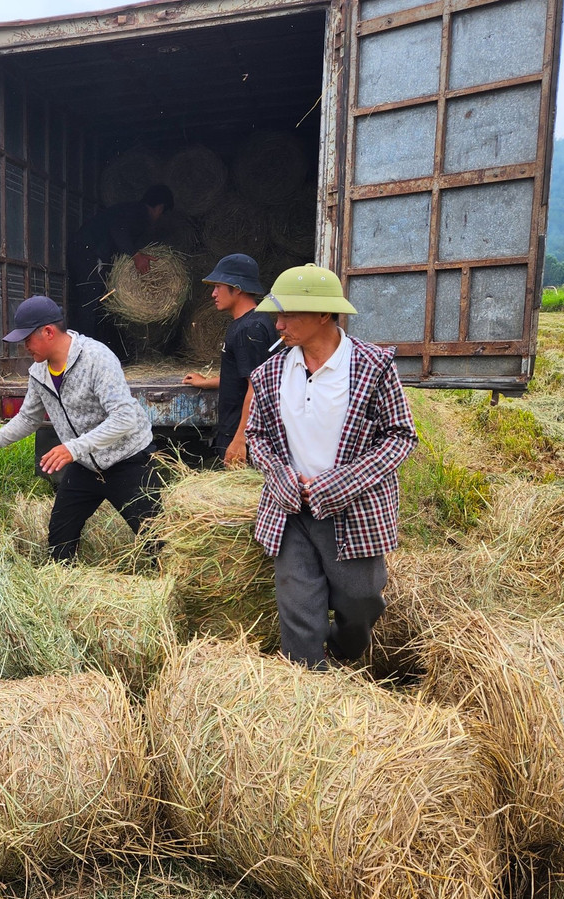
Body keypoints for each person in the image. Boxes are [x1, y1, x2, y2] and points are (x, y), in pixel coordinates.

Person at [246, 264, 417, 669]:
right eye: (276, 315)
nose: (279, 325)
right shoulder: (270, 373)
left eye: (288, 315)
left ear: (324, 314)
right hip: (292, 512)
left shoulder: (372, 366)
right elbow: (257, 438)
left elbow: (400, 437)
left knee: (361, 604)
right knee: (298, 611)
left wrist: (341, 483)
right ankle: (310, 691)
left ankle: (343, 652)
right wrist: (282, 476)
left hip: (354, 511)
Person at [0, 295, 160, 563]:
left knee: (157, 540)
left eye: (28, 339)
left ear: (48, 332)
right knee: (60, 539)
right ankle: (64, 587)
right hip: (86, 466)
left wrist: (73, 448)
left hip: (127, 461)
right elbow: (28, 419)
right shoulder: (39, 372)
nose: (25, 346)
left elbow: (124, 418)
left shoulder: (96, 358)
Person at [181, 254, 274, 467]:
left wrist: (241, 439)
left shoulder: (249, 330)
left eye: (218, 287)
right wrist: (206, 382)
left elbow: (256, 387)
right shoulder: (251, 322)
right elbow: (244, 376)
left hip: (239, 434)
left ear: (237, 287)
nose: (213, 294)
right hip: (235, 430)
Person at [66, 185, 175, 360]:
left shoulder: (130, 210)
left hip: (85, 250)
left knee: (94, 304)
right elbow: (118, 230)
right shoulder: (139, 213)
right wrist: (135, 255)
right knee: (89, 303)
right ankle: (82, 356)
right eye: (163, 214)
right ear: (160, 208)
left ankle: (93, 353)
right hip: (88, 252)